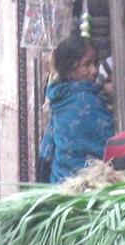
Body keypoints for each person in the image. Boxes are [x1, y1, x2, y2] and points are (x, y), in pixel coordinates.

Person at [38, 35, 114, 184]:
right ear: (69, 71)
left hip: (59, 182)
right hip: (85, 186)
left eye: (95, 63)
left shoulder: (60, 96)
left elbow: (47, 151)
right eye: (86, 65)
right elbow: (108, 143)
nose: (94, 70)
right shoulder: (85, 101)